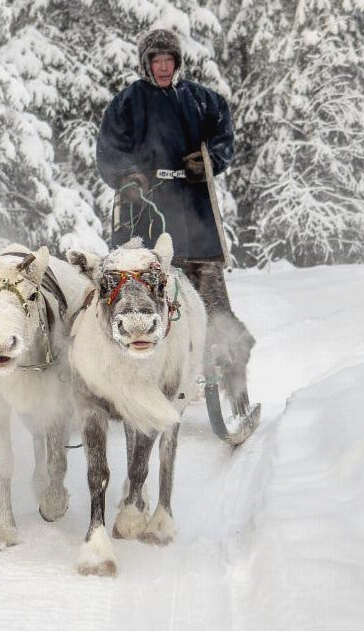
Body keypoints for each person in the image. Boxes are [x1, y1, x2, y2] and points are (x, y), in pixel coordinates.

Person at [95, 28, 255, 409]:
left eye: (169, 61)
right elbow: (109, 148)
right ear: (146, 64)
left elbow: (224, 136)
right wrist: (129, 177)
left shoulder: (202, 100)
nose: (164, 68)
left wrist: (210, 161)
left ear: (178, 63)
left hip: (197, 215)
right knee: (150, 299)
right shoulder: (128, 102)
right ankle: (142, 381)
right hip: (148, 217)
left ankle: (235, 388)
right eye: (157, 62)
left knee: (216, 306)